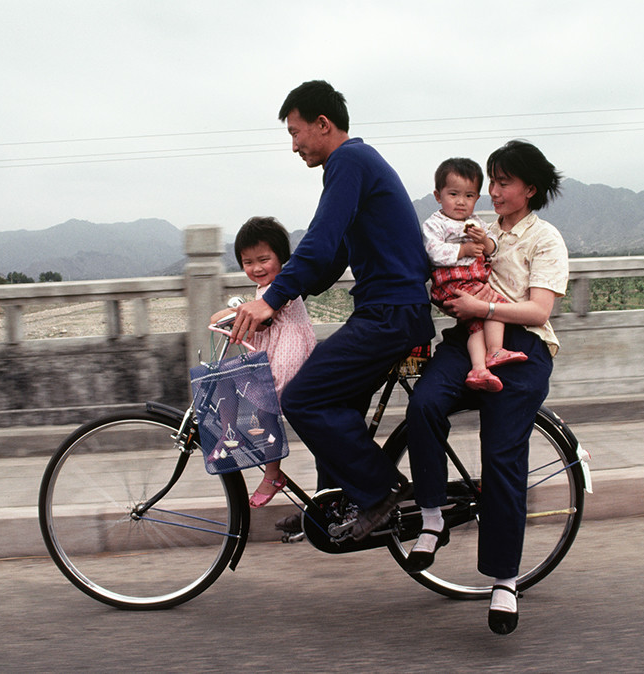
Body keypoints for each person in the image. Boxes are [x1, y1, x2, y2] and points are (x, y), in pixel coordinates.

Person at [229, 80, 435, 539]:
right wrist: (280, 302)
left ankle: (379, 491)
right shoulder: (357, 164)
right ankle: (331, 505)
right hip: (387, 310)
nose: (295, 144)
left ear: (323, 124)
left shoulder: (348, 161)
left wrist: (271, 298)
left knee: (303, 398)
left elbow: (320, 241)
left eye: (296, 133)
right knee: (334, 402)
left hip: (390, 314)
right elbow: (334, 256)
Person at [405, 140, 567, 635]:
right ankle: (431, 517)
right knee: (424, 407)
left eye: (502, 183)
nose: (491, 193)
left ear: (530, 189)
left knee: (500, 453)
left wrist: (485, 309)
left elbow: (540, 311)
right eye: (489, 183)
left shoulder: (546, 239)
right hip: (465, 339)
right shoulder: (475, 230)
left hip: (523, 347)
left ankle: (504, 579)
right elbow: (438, 263)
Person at [210, 217, 317, 509]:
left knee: (265, 405)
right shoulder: (261, 291)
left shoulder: (284, 286)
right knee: (224, 376)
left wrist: (227, 317)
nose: (256, 268)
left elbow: (262, 320)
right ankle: (230, 433)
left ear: (281, 259)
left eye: (264, 259)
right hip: (271, 352)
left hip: (287, 353)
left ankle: (272, 473)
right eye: (247, 262)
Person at [422, 157, 528, 393]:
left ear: (477, 199)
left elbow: (493, 247)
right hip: (453, 284)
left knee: (479, 323)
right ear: (438, 196)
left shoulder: (476, 222)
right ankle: (494, 351)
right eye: (453, 194)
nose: (461, 202)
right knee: (494, 306)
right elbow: (434, 252)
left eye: (469, 196)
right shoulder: (435, 224)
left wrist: (485, 243)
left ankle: (480, 368)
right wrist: (464, 249)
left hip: (472, 282)